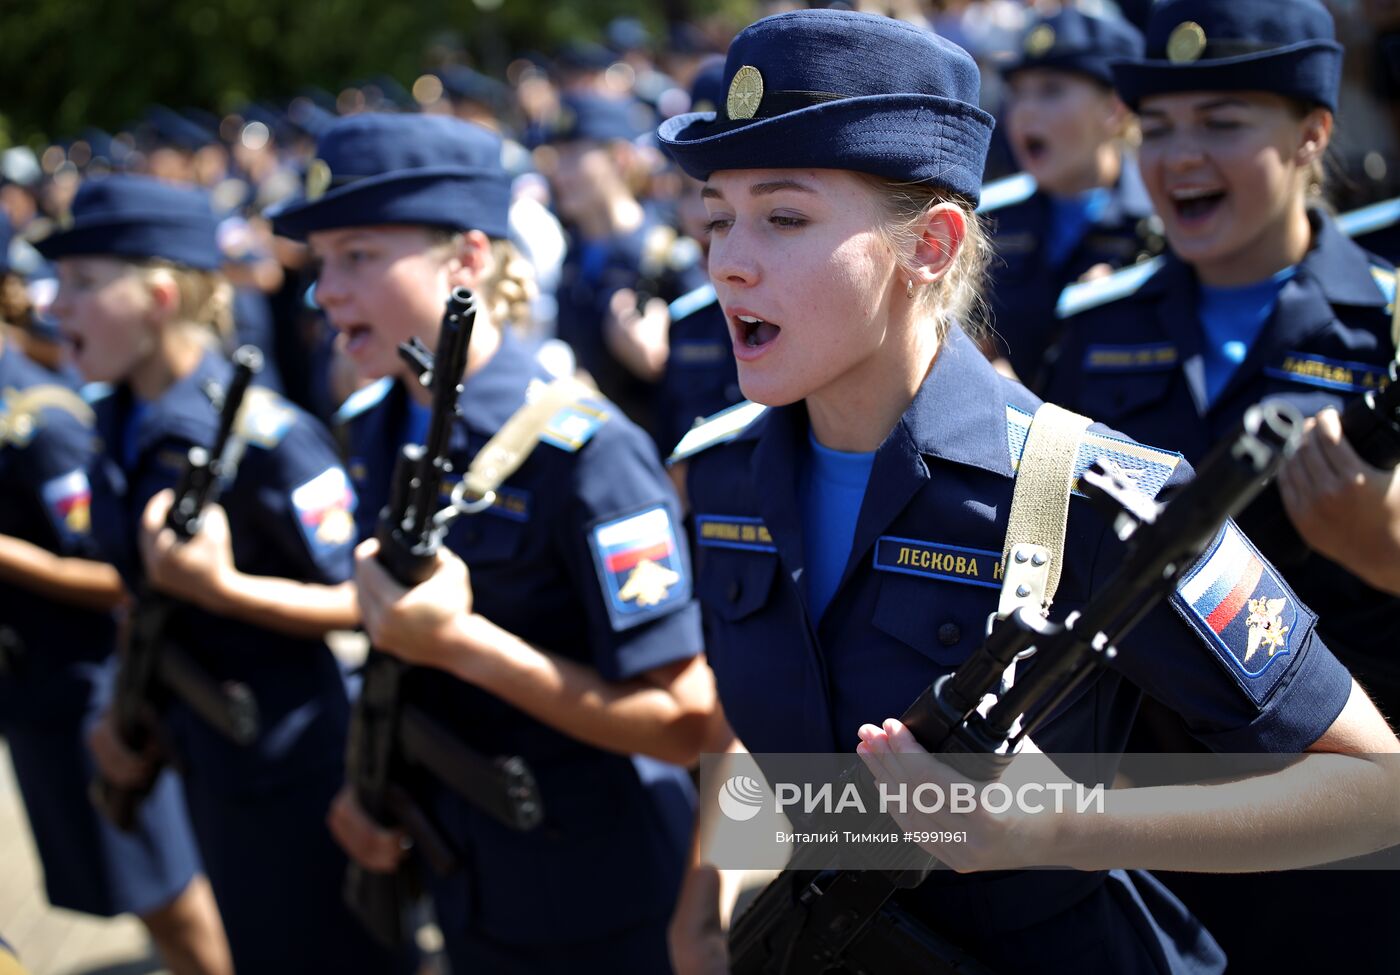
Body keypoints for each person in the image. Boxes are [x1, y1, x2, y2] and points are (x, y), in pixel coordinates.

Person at [653, 9, 1400, 974]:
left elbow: (1375, 787)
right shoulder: (719, 476)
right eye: (718, 215)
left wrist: (1065, 824)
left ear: (930, 245)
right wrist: (708, 891)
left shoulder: (1090, 492)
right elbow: (798, 752)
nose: (727, 260)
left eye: (784, 217)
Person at [267, 111, 714, 974]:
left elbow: (688, 722)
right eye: (322, 263)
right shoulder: (376, 423)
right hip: (463, 868)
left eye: (358, 255)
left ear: (467, 260)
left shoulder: (583, 450)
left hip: (600, 896)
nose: (325, 291)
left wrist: (466, 645)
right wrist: (371, 783)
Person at [1038, 0, 1400, 968]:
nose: (1176, 156)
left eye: (1222, 122)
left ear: (1311, 134)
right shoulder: (1095, 322)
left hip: (1354, 843)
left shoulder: (1386, 330)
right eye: (1155, 129)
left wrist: (1383, 550)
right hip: (1149, 838)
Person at [39, 174, 405, 975]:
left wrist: (225, 588)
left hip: (290, 763)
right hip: (203, 750)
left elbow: (369, 602)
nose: (55, 306)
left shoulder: (267, 437)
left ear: (162, 296)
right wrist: (122, 712)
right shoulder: (113, 416)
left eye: (84, 283)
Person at [0, 295, 231, 975]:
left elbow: (116, 574)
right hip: (33, 691)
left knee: (169, 895)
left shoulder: (38, 423)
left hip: (87, 685)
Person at [980, 6, 1161, 389]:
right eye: (1018, 93)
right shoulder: (988, 220)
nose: (1025, 111)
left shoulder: (1166, 222)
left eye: (1051, 90)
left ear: (1114, 109)